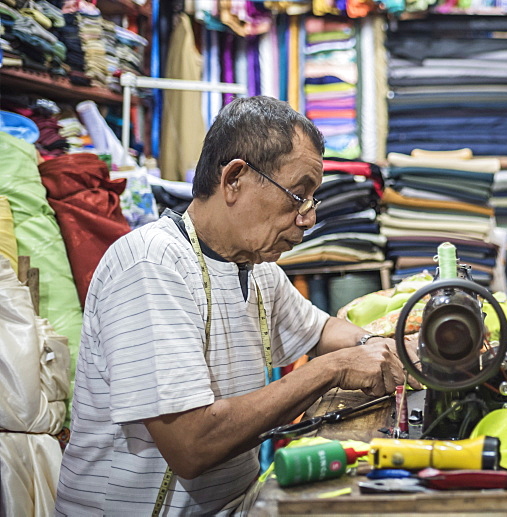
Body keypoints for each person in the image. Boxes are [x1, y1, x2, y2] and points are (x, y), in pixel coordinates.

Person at [55, 96, 417, 515]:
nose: (309, 217)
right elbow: (192, 445)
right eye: (298, 195)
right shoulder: (151, 265)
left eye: (312, 199)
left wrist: (379, 346)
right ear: (234, 179)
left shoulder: (253, 265)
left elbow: (319, 332)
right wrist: (334, 368)